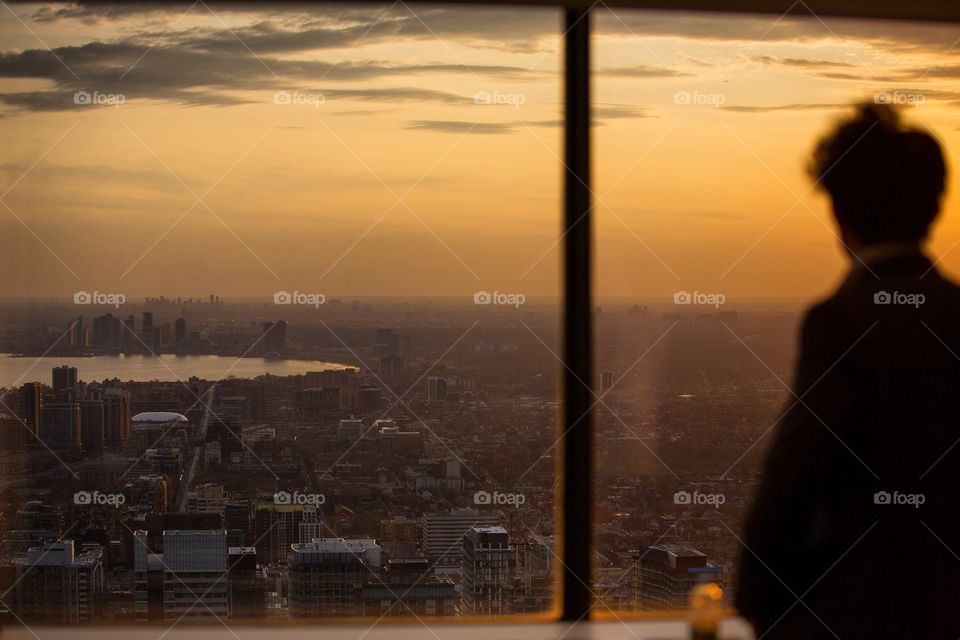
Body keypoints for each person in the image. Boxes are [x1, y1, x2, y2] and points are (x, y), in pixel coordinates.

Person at [735, 102, 960, 639]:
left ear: (840, 213)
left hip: (866, 611)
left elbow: (795, 474)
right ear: (933, 206)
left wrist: (759, 605)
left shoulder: (843, 320)